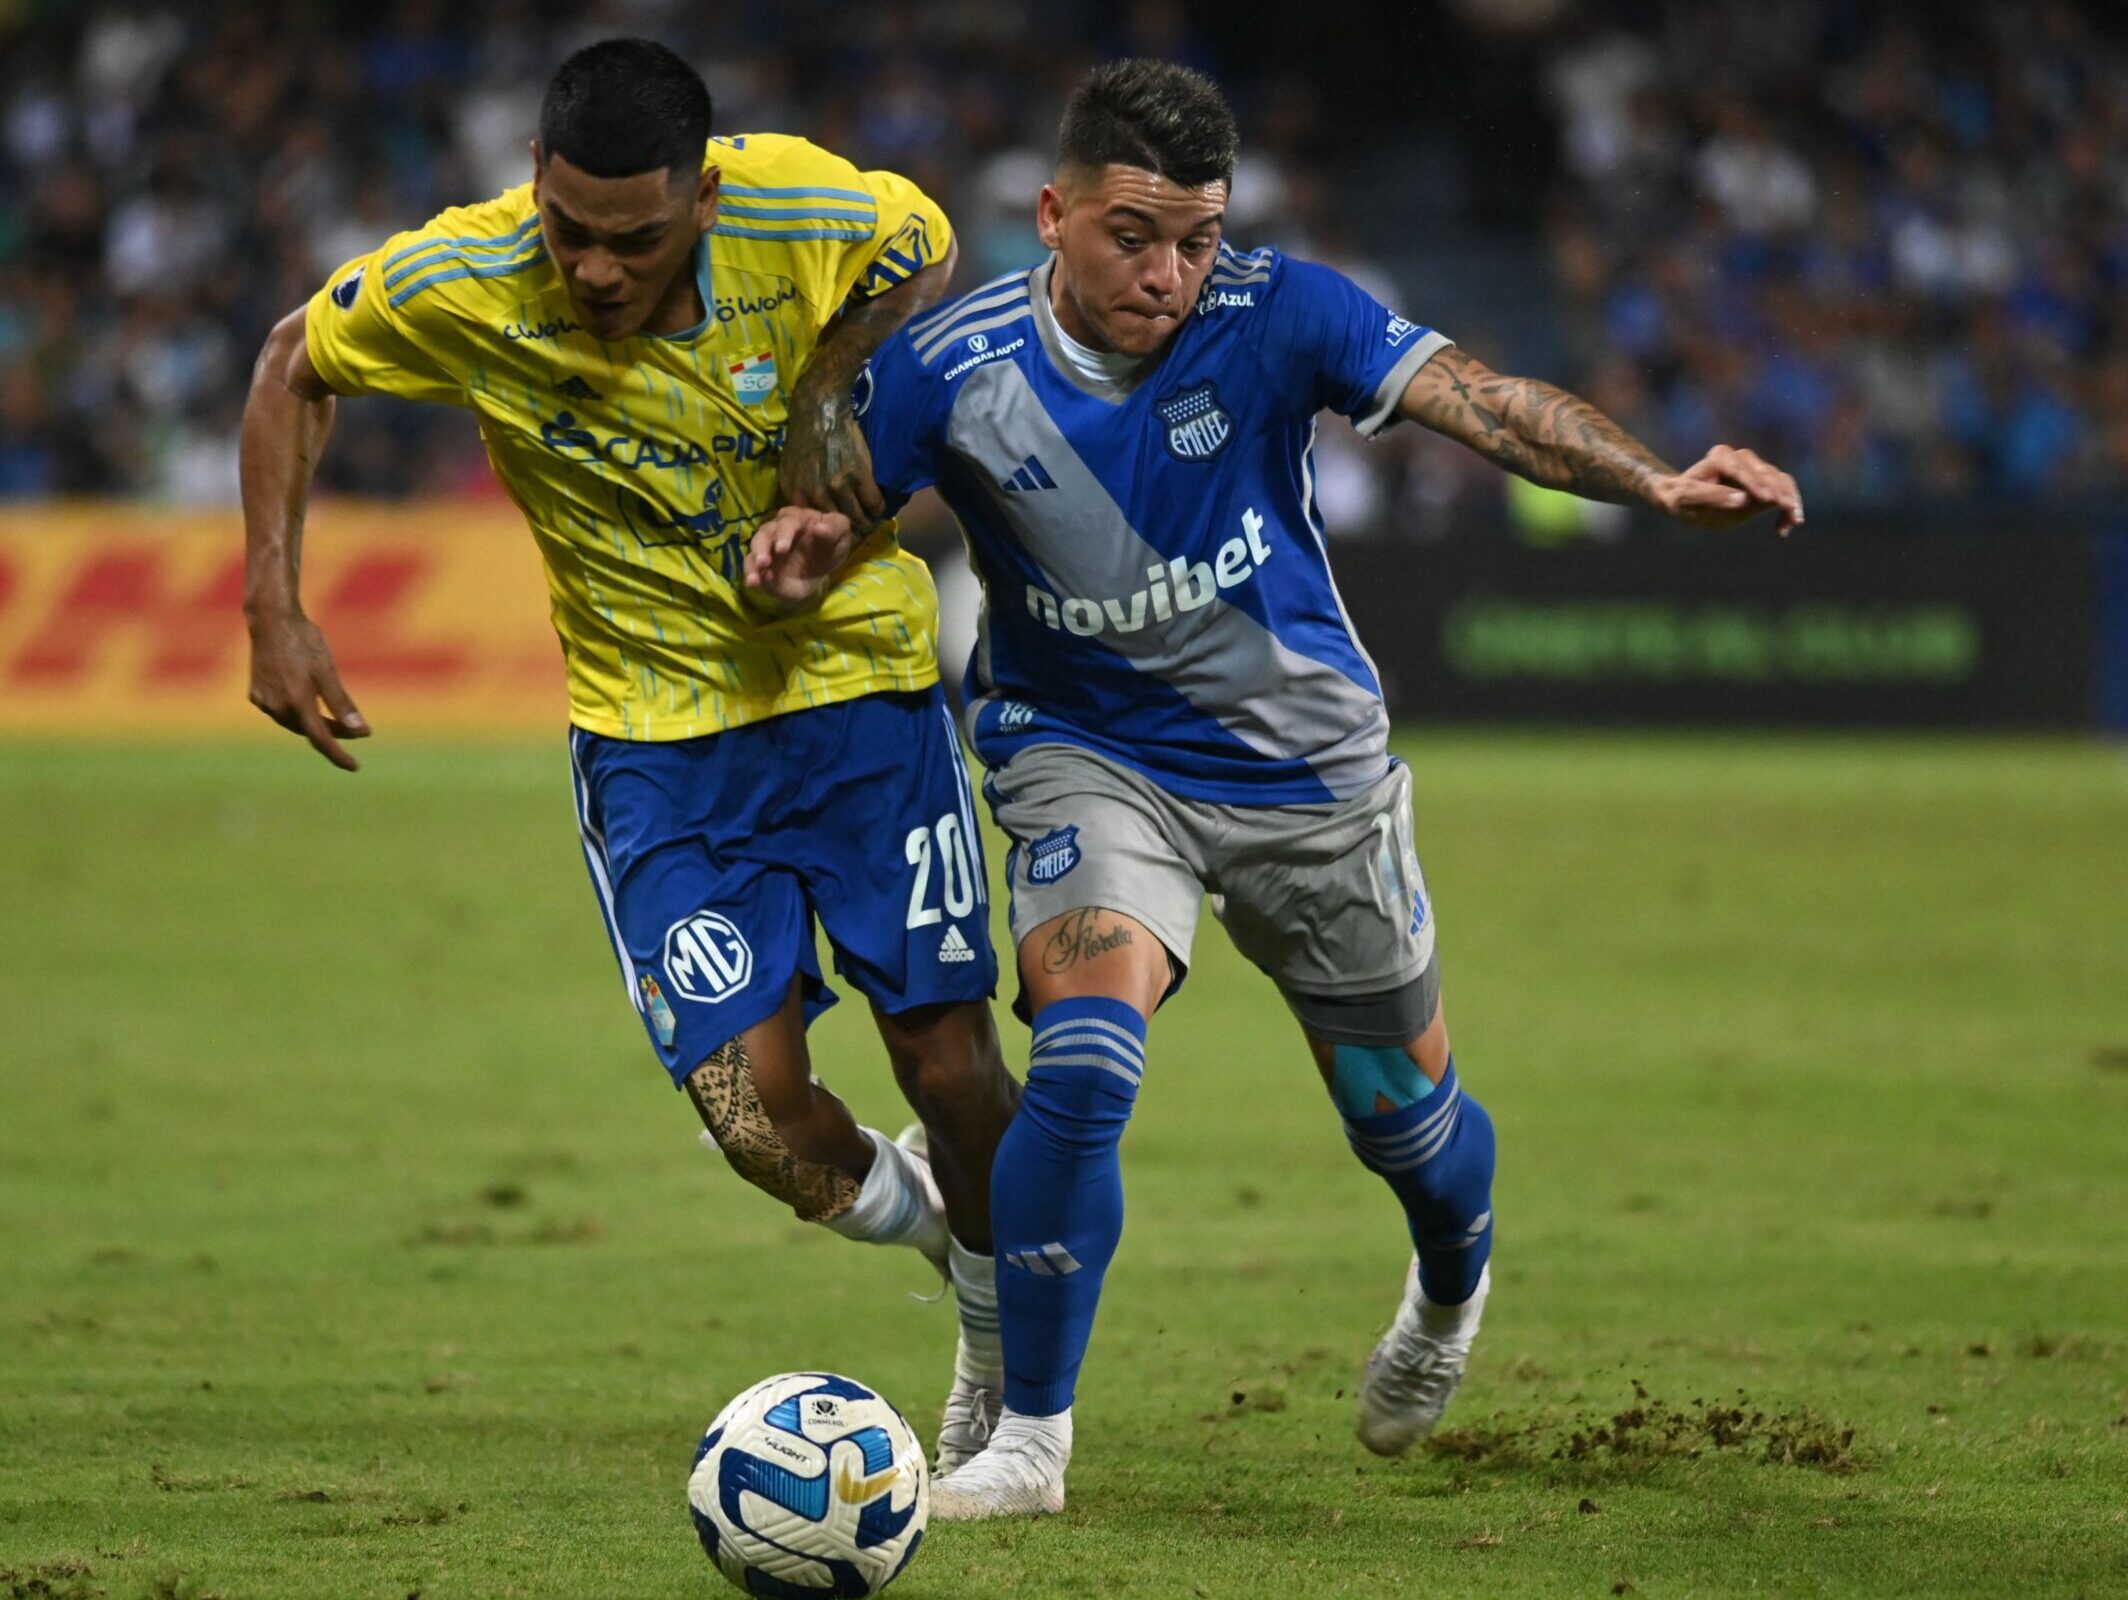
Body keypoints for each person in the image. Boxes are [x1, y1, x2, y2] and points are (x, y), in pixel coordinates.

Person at [747, 58, 1803, 1518]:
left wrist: (1659, 481)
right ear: (1051, 215)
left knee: (1402, 1125)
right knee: (1084, 1059)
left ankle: (1448, 1287)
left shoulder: (1280, 309)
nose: (1172, 273)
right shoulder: (951, 368)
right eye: (1134, 236)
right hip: (1086, 754)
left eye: (1198, 239)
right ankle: (1033, 1448)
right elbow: (824, 506)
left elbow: (1480, 399)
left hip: (1305, 768)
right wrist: (810, 549)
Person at [236, 39, 1020, 1466]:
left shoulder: (799, 208)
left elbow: (929, 241)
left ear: (706, 197)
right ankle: (956, 1251)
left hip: (858, 691)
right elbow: (294, 361)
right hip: (654, 743)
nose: (595, 271)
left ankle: (1006, 1334)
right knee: (756, 1120)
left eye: (636, 241)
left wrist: (830, 385)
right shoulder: (455, 281)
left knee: (953, 1065)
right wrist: (274, 606)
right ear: (532, 183)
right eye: (569, 232)